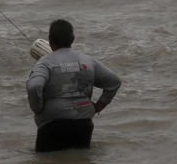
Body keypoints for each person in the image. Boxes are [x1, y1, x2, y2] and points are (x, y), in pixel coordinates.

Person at [26, 19, 122, 153]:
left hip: (51, 126)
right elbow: (114, 82)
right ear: (73, 39)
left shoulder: (44, 63)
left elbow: (34, 87)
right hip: (84, 125)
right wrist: (98, 106)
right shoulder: (88, 61)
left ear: (50, 41)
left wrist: (38, 109)